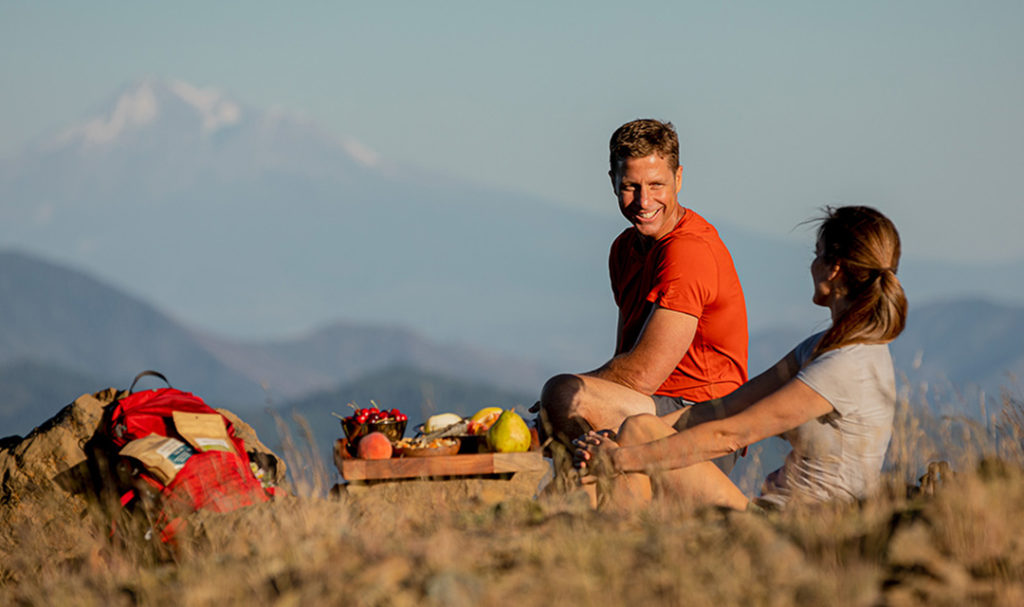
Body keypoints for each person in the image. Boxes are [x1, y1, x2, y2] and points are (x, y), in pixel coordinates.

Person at [574, 205, 908, 511]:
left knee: (634, 439)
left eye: (816, 255)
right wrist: (614, 441)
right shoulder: (824, 346)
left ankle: (617, 547)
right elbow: (724, 408)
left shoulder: (847, 364)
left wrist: (622, 459)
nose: (812, 265)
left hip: (796, 527)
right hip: (773, 511)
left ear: (834, 269)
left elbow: (731, 434)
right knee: (637, 429)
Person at [535, 119, 749, 475]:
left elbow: (641, 375)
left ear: (679, 179)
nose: (644, 201)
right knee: (561, 405)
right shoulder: (624, 249)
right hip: (650, 406)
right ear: (613, 182)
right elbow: (626, 355)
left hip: (699, 415)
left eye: (657, 185)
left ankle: (588, 489)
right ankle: (589, 494)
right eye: (631, 186)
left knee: (560, 393)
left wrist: (567, 397)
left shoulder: (687, 251)